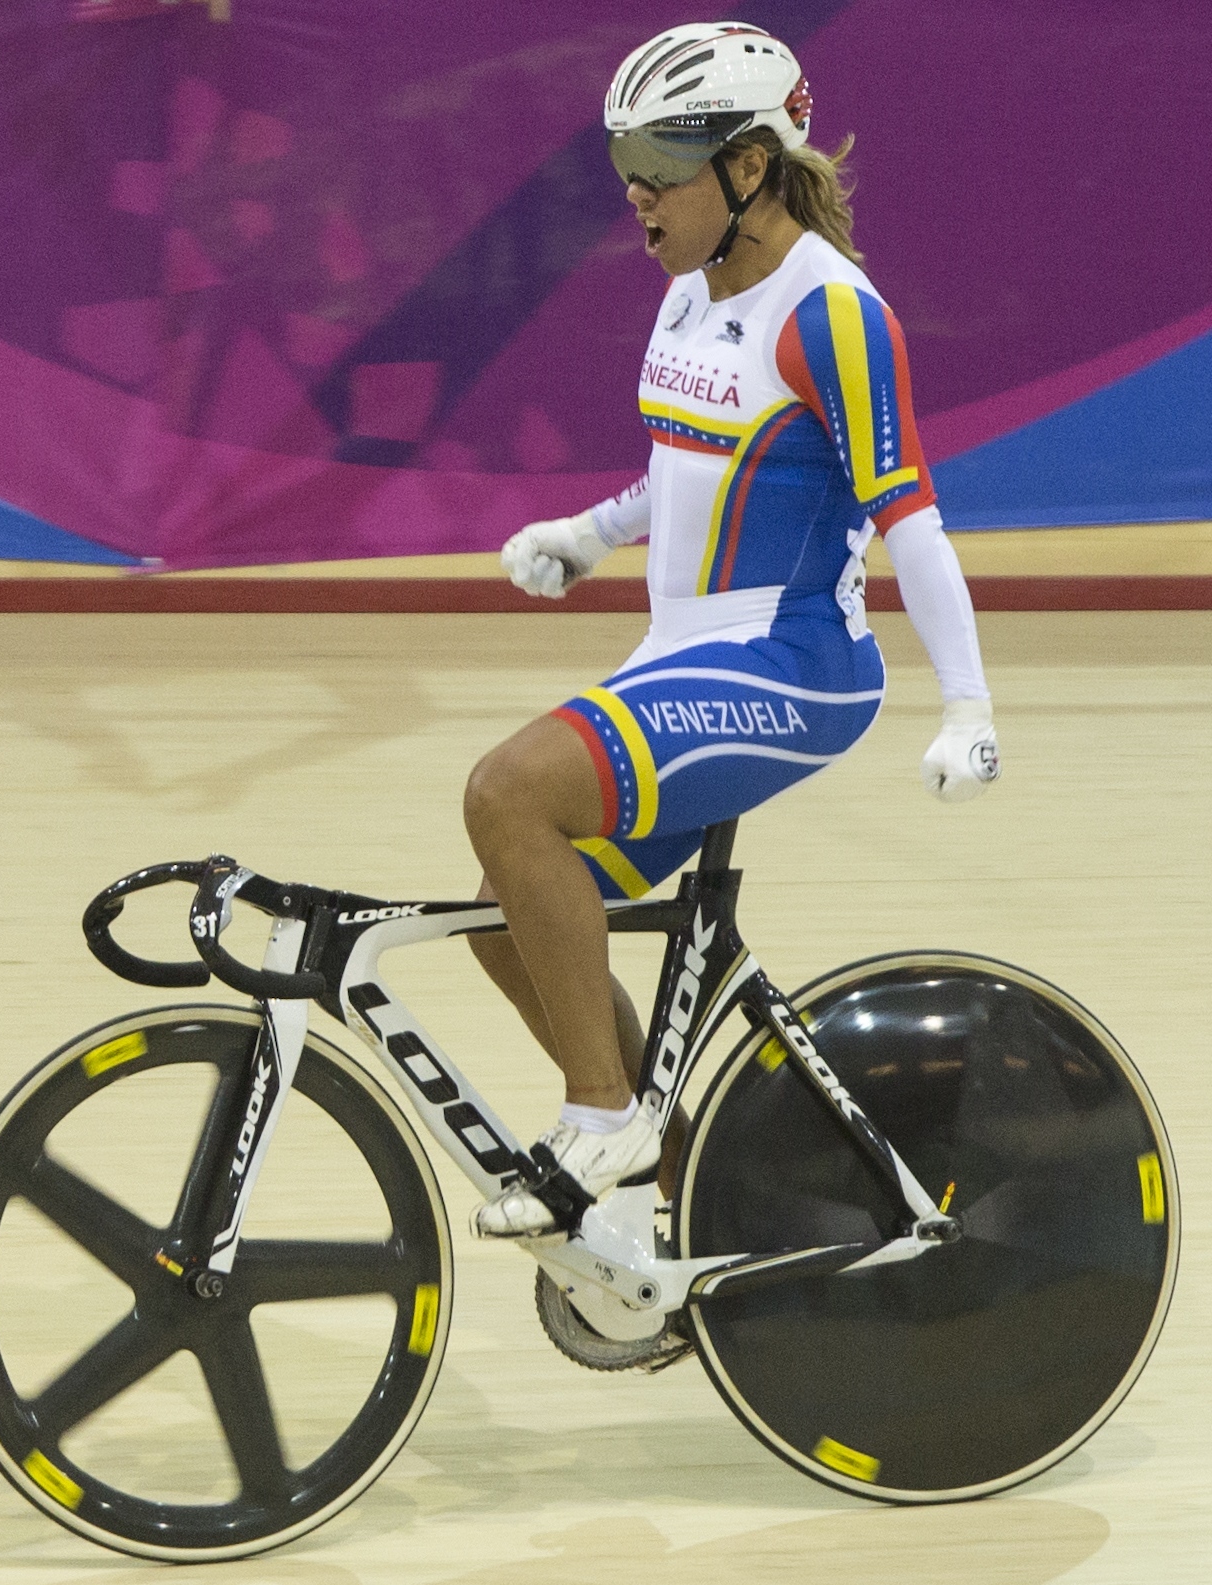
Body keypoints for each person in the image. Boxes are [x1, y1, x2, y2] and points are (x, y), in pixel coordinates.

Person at [461, 21, 999, 1239]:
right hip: (687, 651)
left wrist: (967, 705)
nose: (635, 191)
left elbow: (909, 519)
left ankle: (606, 1114)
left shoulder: (836, 317)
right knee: (511, 918)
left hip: (792, 664)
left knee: (505, 793)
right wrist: (593, 532)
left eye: (662, 157)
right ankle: (686, 1199)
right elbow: (686, 468)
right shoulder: (689, 290)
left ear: (750, 166)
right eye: (622, 160)